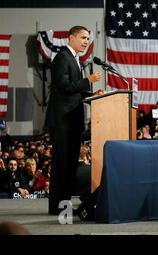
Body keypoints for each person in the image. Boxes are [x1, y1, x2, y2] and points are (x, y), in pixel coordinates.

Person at [45, 26, 103, 215]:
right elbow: (63, 86)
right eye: (83, 37)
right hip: (63, 121)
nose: (86, 41)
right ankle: (58, 207)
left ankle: (63, 206)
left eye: (88, 38)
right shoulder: (63, 57)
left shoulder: (74, 59)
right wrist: (88, 80)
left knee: (69, 166)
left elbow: (74, 90)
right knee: (62, 165)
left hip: (71, 120)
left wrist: (92, 94)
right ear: (71, 38)